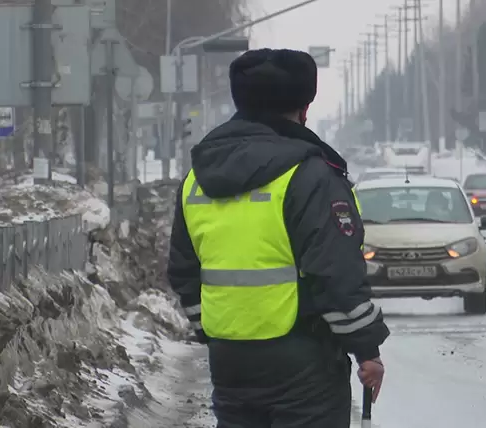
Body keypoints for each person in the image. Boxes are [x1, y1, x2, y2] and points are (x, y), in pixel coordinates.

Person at [167, 48, 390, 428]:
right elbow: (335, 274)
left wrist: (215, 333)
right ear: (303, 110)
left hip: (229, 362)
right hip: (303, 363)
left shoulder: (197, 179)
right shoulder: (309, 176)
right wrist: (367, 349)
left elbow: (184, 271)